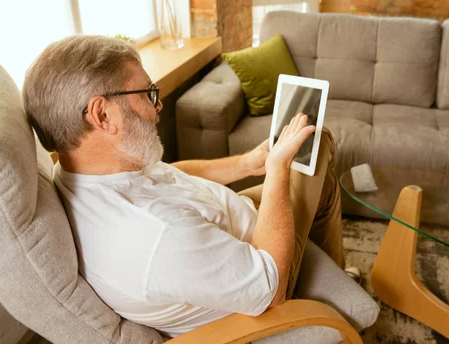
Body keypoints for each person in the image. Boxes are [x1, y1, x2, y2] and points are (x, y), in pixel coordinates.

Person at [22, 35, 358, 337]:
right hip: (266, 266)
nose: (158, 105)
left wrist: (246, 163)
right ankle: (326, 294)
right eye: (147, 93)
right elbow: (272, 286)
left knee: (314, 172)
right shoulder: (158, 239)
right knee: (318, 142)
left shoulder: (79, 172)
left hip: (226, 226)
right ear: (103, 115)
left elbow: (168, 173)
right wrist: (277, 170)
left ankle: (331, 267)